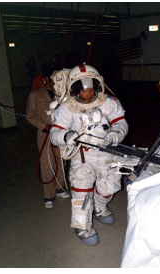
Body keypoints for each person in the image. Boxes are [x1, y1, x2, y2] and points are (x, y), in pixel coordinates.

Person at [49, 64, 129, 246]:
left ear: (98, 86)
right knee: (82, 190)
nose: (87, 94)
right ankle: (82, 226)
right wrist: (66, 135)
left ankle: (99, 207)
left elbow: (121, 122)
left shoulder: (108, 102)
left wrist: (115, 134)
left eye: (91, 89)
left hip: (107, 150)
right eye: (83, 91)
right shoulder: (66, 108)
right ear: (73, 89)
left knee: (111, 187)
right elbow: (54, 134)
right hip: (82, 155)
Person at [25, 69, 70, 209]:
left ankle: (60, 188)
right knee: (47, 163)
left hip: (61, 133)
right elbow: (30, 115)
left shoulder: (62, 94)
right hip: (45, 133)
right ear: (46, 79)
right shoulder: (35, 95)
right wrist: (44, 126)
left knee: (61, 161)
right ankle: (49, 195)